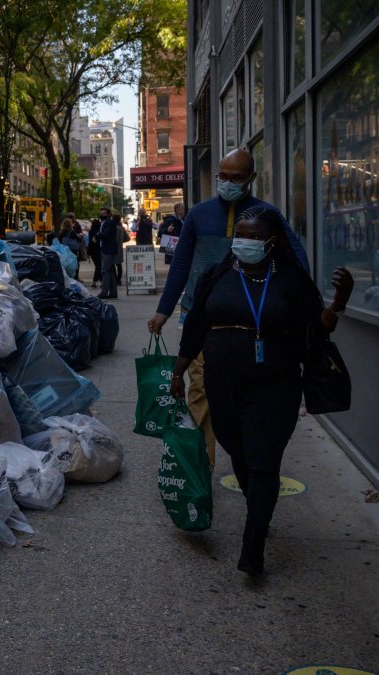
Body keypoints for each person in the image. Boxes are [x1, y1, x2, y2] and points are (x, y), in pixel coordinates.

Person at [171, 208, 353, 575]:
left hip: (276, 383)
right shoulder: (218, 274)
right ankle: (259, 509)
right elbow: (195, 327)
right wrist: (179, 372)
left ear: (272, 242)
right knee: (236, 450)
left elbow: (316, 331)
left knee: (263, 460)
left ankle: (252, 545)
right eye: (240, 234)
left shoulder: (291, 280)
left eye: (253, 236)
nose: (244, 242)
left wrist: (339, 302)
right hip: (222, 381)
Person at [148, 148, 310, 466]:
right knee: (200, 392)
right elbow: (181, 265)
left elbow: (296, 260)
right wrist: (163, 310)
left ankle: (249, 459)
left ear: (251, 178)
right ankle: (200, 467)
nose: (228, 182)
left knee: (245, 395)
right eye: (223, 176)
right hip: (204, 318)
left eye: (237, 177)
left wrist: (300, 307)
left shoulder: (267, 217)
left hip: (255, 323)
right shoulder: (198, 215)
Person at [97, 207, 119, 298]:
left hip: (108, 250)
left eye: (104, 213)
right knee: (110, 271)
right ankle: (113, 292)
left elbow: (106, 234)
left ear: (109, 214)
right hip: (106, 249)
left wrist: (98, 234)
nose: (102, 215)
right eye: (101, 213)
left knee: (105, 270)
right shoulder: (105, 222)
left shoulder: (109, 223)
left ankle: (104, 292)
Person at [87, 218, 103, 287]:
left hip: (92, 250)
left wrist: (88, 252)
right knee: (99, 266)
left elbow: (90, 242)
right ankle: (101, 281)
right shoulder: (99, 231)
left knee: (97, 266)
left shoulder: (91, 231)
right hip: (99, 250)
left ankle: (94, 282)